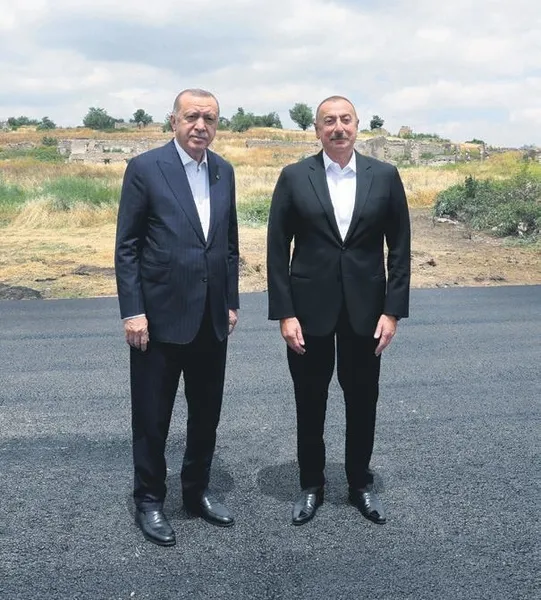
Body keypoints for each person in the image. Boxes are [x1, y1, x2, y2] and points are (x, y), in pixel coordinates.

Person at [267, 95, 410, 526]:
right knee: (310, 401)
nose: (338, 128)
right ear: (317, 130)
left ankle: (360, 484)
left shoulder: (384, 176)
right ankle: (311, 485)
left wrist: (392, 312)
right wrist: (285, 313)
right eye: (328, 121)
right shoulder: (295, 177)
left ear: (357, 125)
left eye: (345, 119)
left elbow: (399, 249)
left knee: (363, 400)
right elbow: (276, 249)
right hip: (308, 312)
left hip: (366, 312)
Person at [115, 88, 239, 546]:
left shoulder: (223, 171)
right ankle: (149, 500)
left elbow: (228, 245)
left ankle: (195, 492)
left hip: (211, 319)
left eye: (209, 118)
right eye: (191, 116)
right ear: (173, 121)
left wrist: (230, 302)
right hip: (158, 320)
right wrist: (133, 311)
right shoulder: (146, 168)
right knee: (153, 418)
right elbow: (127, 247)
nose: (200, 125)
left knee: (205, 415)